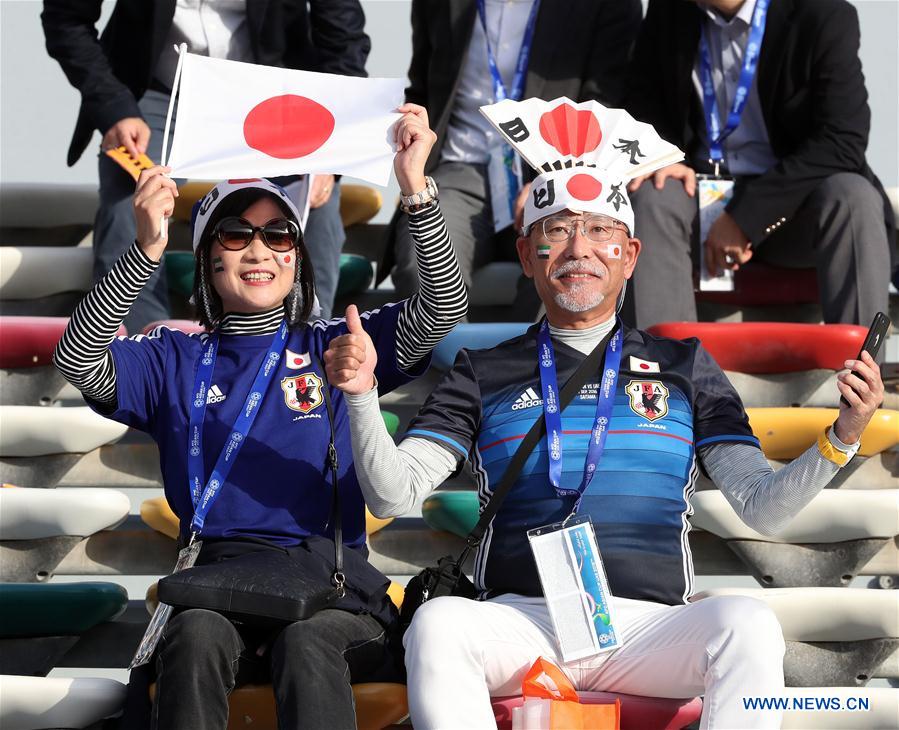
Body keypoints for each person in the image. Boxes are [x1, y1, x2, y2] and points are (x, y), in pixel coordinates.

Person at [325, 161, 884, 728]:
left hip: (649, 628)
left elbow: (763, 508)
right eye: (557, 230)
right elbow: (392, 497)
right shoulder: (483, 369)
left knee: (747, 623)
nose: (578, 249)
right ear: (526, 257)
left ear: (631, 256)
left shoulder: (683, 366)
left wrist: (843, 436)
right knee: (439, 624)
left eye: (599, 230)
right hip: (523, 622)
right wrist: (363, 395)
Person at [53, 105, 467, 730]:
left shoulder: (335, 340)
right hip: (214, 583)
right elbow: (76, 355)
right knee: (193, 639)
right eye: (236, 233)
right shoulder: (173, 355)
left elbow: (444, 304)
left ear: (297, 257)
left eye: (279, 235)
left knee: (307, 645)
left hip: (329, 585)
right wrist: (144, 250)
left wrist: (415, 188)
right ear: (207, 256)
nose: (260, 249)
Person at [41, 0, 370, 332]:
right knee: (133, 202)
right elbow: (66, 18)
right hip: (159, 90)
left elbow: (343, 36)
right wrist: (114, 107)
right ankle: (143, 354)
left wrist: (331, 147)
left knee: (316, 203)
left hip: (272, 91)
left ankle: (306, 347)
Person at [621, 0, 895, 329]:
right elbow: (641, 108)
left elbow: (844, 140)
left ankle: (863, 376)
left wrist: (745, 218)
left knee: (853, 197)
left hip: (795, 207)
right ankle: (668, 374)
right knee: (655, 195)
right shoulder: (670, 13)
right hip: (701, 199)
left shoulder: (822, 14)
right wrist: (664, 156)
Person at [382, 0, 643, 309]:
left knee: (563, 262)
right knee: (420, 262)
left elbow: (604, 105)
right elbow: (423, 87)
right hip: (460, 166)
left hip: (557, 169)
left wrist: (556, 179)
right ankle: (445, 359)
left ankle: (536, 357)